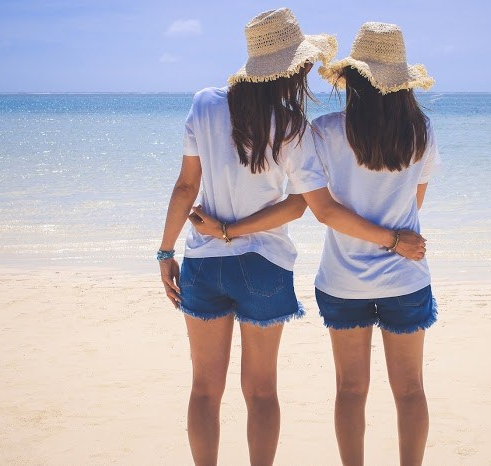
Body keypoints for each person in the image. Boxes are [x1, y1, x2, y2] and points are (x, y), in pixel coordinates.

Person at [194, 21, 440, 466]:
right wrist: (395, 240)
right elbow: (414, 201)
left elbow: (320, 208)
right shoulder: (421, 130)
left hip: (343, 279)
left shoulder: (323, 131)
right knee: (410, 391)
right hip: (405, 277)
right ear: (403, 84)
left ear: (352, 80)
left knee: (350, 389)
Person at [157, 8, 337, 465]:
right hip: (264, 264)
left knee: (204, 389)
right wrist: (233, 232)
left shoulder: (205, 103)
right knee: (261, 391)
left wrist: (164, 252)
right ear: (292, 69)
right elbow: (299, 205)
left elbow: (186, 187)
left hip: (203, 263)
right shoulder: (292, 125)